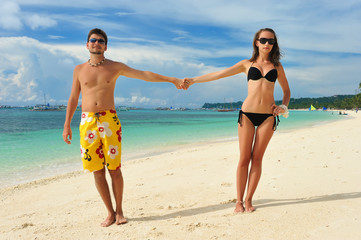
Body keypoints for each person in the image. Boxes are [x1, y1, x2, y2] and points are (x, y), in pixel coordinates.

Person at [62, 28, 185, 227]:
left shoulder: (115, 67)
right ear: (87, 44)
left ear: (106, 46)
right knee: (97, 170)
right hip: (87, 122)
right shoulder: (78, 70)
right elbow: (74, 98)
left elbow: (145, 75)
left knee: (114, 169)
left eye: (101, 41)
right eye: (93, 40)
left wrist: (172, 80)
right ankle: (109, 213)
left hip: (109, 120)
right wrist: (67, 124)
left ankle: (120, 211)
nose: (97, 43)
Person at [184, 28, 291, 213]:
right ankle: (239, 201)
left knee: (257, 159)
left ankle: (249, 200)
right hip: (247, 114)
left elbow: (287, 92)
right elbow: (219, 74)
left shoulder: (277, 67)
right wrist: (193, 80)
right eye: (264, 40)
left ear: (274, 44)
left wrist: (283, 107)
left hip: (268, 116)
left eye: (271, 41)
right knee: (244, 159)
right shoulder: (246, 64)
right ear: (256, 42)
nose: (267, 44)